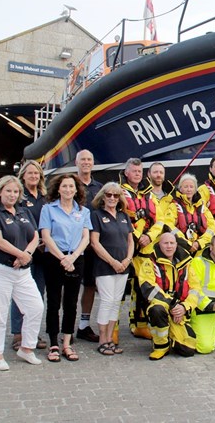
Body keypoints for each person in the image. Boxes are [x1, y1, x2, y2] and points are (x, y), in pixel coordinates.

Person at [0, 176, 44, 371]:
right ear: (0, 192)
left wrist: (26, 254)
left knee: (35, 307)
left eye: (16, 191)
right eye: (8, 191)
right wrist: (20, 255)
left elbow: (35, 236)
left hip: (22, 271)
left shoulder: (24, 211)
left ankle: (27, 348)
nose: (12, 194)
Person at [39, 174, 92, 362]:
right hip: (54, 258)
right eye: (64, 186)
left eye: (71, 186)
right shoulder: (48, 209)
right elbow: (46, 236)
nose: (68, 190)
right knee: (53, 301)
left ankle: (67, 342)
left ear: (76, 190)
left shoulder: (83, 211)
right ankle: (53, 342)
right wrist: (63, 258)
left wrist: (73, 257)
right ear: (58, 189)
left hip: (76, 258)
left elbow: (86, 238)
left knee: (70, 302)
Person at [120, 158, 164, 339]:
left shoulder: (150, 195)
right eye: (134, 171)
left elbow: (160, 220)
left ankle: (140, 324)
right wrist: (138, 237)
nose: (137, 174)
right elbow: (120, 218)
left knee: (142, 289)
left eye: (140, 171)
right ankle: (112, 329)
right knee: (120, 291)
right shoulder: (119, 193)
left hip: (146, 249)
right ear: (126, 173)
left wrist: (150, 236)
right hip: (125, 248)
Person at [136, 233, 199, 360]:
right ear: (159, 244)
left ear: (176, 245)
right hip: (160, 306)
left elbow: (195, 289)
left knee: (187, 350)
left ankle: (171, 336)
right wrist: (173, 305)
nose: (169, 246)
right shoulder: (150, 262)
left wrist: (184, 307)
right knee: (157, 310)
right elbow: (149, 288)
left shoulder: (187, 262)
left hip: (180, 311)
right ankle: (161, 346)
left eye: (172, 243)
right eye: (165, 243)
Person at [89, 183, 134, 355]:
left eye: (116, 195)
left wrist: (127, 260)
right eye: (109, 195)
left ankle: (110, 339)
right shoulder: (97, 216)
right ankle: (102, 340)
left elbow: (130, 241)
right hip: (105, 266)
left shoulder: (124, 216)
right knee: (107, 301)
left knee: (116, 303)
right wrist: (113, 261)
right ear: (103, 196)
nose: (112, 198)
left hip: (123, 266)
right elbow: (95, 242)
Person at [10, 161, 48, 352]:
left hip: (42, 253)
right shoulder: (18, 196)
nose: (33, 176)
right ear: (23, 175)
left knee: (37, 294)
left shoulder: (45, 197)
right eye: (30, 173)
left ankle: (32, 332)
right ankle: (18, 333)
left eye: (37, 173)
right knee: (19, 294)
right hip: (23, 252)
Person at [74, 150, 104, 344]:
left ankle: (84, 325)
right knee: (68, 287)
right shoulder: (69, 185)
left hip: (92, 246)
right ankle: (64, 325)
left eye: (89, 159)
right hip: (72, 246)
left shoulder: (99, 188)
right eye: (83, 159)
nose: (86, 162)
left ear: (93, 163)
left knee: (90, 286)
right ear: (76, 162)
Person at [165, 174, 215, 255]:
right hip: (181, 251)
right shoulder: (174, 206)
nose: (189, 189)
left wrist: (199, 243)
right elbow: (169, 225)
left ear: (195, 189)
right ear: (180, 188)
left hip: (201, 251)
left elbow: (212, 227)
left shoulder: (202, 207)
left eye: (191, 187)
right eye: (185, 187)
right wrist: (187, 244)